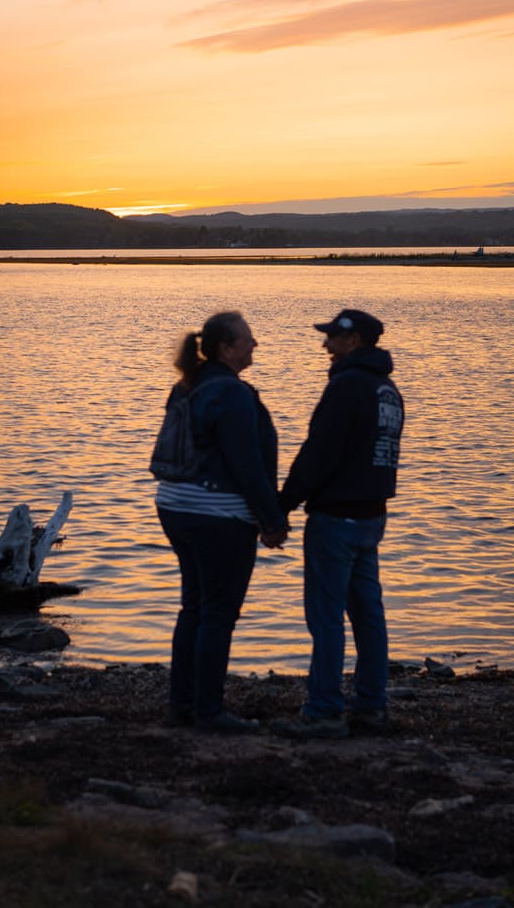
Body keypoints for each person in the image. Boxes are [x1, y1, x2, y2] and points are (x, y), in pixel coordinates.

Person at [152, 310, 287, 734]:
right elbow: (246, 464)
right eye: (248, 339)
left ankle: (182, 704)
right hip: (217, 514)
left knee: (194, 606)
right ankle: (209, 711)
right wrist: (272, 520)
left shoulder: (187, 385)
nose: (255, 344)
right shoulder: (232, 393)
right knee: (218, 613)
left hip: (174, 506)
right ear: (226, 348)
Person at [275, 309, 404, 739]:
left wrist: (283, 504)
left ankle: (325, 711)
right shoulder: (388, 390)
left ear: (354, 340)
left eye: (332, 337)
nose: (324, 344)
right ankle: (371, 706)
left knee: (326, 616)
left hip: (336, 516)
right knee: (368, 614)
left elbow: (320, 451)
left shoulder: (347, 386)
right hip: (372, 515)